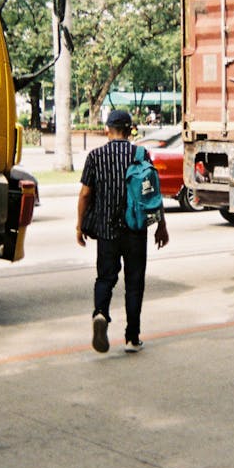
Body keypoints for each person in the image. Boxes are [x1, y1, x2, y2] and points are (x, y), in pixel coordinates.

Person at [76, 109, 169, 353]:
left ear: (107, 129)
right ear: (130, 130)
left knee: (105, 278)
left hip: (106, 230)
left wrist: (79, 225)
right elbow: (152, 194)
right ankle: (132, 338)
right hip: (135, 229)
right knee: (134, 283)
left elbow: (85, 194)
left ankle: (100, 313)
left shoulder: (95, 156)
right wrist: (162, 225)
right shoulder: (140, 154)